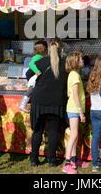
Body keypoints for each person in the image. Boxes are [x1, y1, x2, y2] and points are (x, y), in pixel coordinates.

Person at [29, 39, 68, 167]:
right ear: (61, 49)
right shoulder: (65, 64)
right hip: (56, 101)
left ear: (48, 50)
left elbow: (28, 74)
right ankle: (51, 160)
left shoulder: (40, 61)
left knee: (38, 130)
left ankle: (33, 159)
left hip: (39, 100)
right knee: (53, 131)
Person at [62, 51, 86, 174]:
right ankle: (67, 163)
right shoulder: (75, 75)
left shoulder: (73, 74)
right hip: (74, 109)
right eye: (80, 59)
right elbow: (75, 95)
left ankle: (73, 160)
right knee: (74, 135)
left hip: (73, 108)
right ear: (75, 62)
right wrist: (81, 112)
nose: (82, 60)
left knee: (74, 135)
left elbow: (69, 93)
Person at [19, 40, 48, 113]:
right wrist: (37, 71)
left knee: (31, 92)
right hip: (35, 78)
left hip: (35, 78)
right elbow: (31, 64)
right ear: (43, 50)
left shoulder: (38, 56)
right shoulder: (38, 57)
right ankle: (22, 104)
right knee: (30, 91)